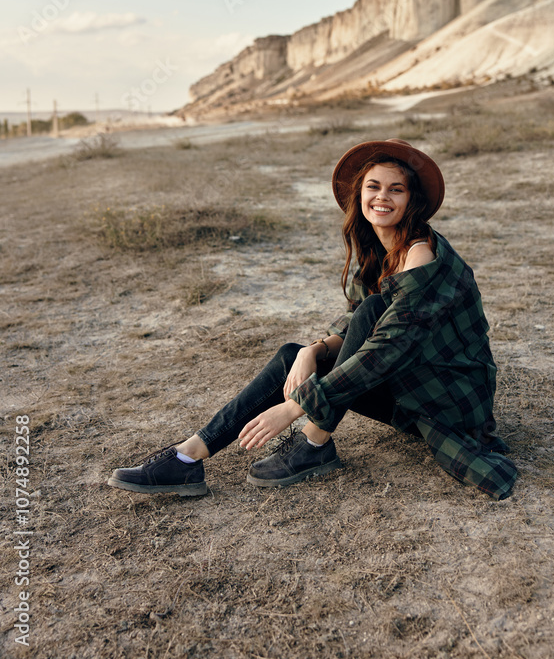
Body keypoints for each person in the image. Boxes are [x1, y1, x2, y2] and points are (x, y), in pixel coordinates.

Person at [108, 138, 517, 501]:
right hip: (410, 383)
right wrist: (313, 350)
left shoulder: (421, 255)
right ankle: (189, 454)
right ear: (360, 194)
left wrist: (293, 409)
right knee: (294, 353)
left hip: (448, 399)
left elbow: (387, 347)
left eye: (396, 189)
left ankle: (314, 442)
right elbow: (357, 326)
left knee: (372, 312)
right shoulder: (378, 251)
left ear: (412, 200)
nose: (383, 197)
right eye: (373, 187)